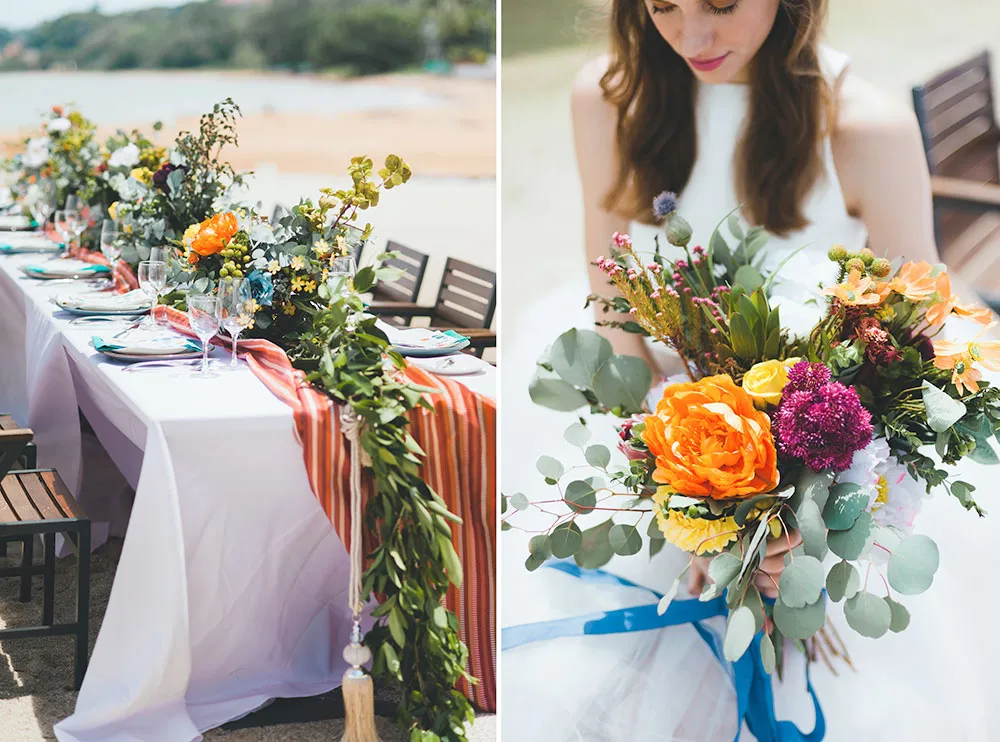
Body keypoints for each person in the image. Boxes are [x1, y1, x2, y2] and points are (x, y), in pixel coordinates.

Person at [502, 1, 999, 740]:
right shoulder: (609, 96)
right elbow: (612, 309)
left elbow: (919, 346)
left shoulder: (867, 128)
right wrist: (697, 502)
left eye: (723, 5)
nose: (693, 37)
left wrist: (793, 523)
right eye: (664, 6)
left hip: (840, 468)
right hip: (656, 435)